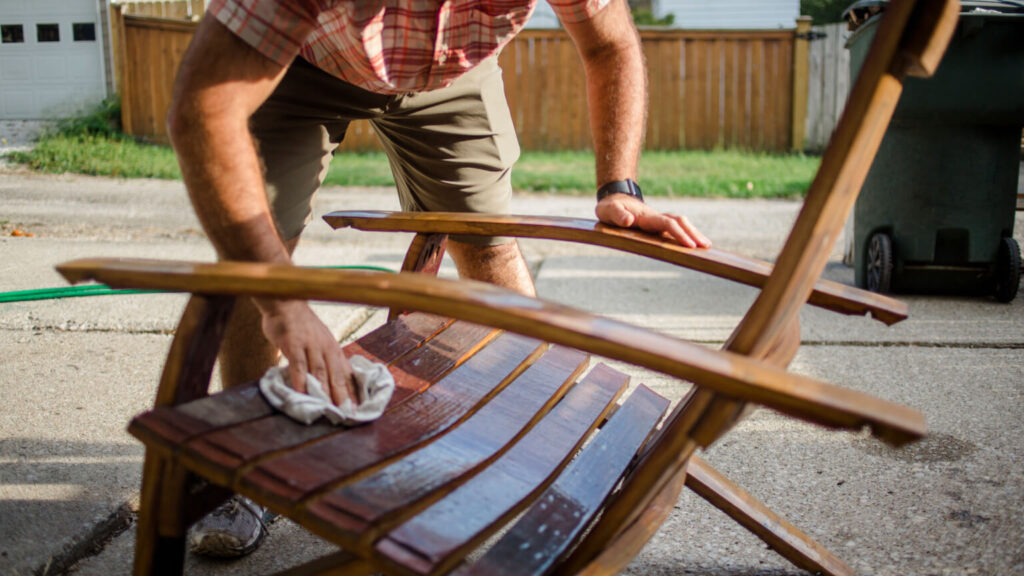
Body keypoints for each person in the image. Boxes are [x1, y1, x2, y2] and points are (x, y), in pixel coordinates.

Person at [167, 0, 711, 558]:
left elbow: (609, 43)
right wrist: (281, 303)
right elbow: (203, 109)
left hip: (449, 73)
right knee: (256, 254)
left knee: (487, 241)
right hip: (299, 60)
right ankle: (242, 476)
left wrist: (619, 186)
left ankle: (539, 433)